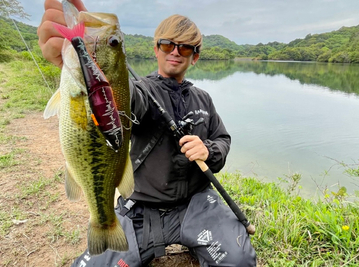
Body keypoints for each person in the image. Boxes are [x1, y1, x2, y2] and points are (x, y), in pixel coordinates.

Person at [38, 0, 257, 266]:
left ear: (194, 56)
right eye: (167, 44)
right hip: (140, 207)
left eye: (185, 47)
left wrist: (209, 150)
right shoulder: (140, 90)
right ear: (156, 49)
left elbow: (222, 139)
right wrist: (88, 71)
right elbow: (120, 102)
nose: (175, 52)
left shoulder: (204, 99)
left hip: (196, 204)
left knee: (239, 260)